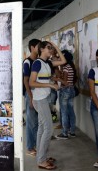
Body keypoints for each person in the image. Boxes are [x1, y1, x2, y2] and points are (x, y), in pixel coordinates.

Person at [29, 41, 66, 170]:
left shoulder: (48, 63)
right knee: (48, 129)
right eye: (49, 48)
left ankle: (41, 156)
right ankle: (41, 160)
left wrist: (56, 47)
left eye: (51, 48)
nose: (51, 50)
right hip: (39, 99)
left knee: (41, 128)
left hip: (44, 98)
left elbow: (63, 61)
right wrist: (50, 84)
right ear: (42, 49)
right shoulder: (37, 63)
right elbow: (31, 83)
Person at [23, 38, 41, 156]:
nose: (41, 48)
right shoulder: (27, 62)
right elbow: (26, 80)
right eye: (39, 46)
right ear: (33, 47)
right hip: (30, 93)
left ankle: (36, 144)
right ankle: (30, 147)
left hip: (39, 94)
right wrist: (30, 97)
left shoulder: (39, 61)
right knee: (31, 122)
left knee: (38, 122)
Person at [56, 50, 77, 139]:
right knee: (71, 112)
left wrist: (56, 78)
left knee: (64, 112)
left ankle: (64, 133)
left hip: (65, 91)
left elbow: (65, 82)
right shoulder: (71, 66)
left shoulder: (65, 68)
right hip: (71, 90)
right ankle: (72, 132)